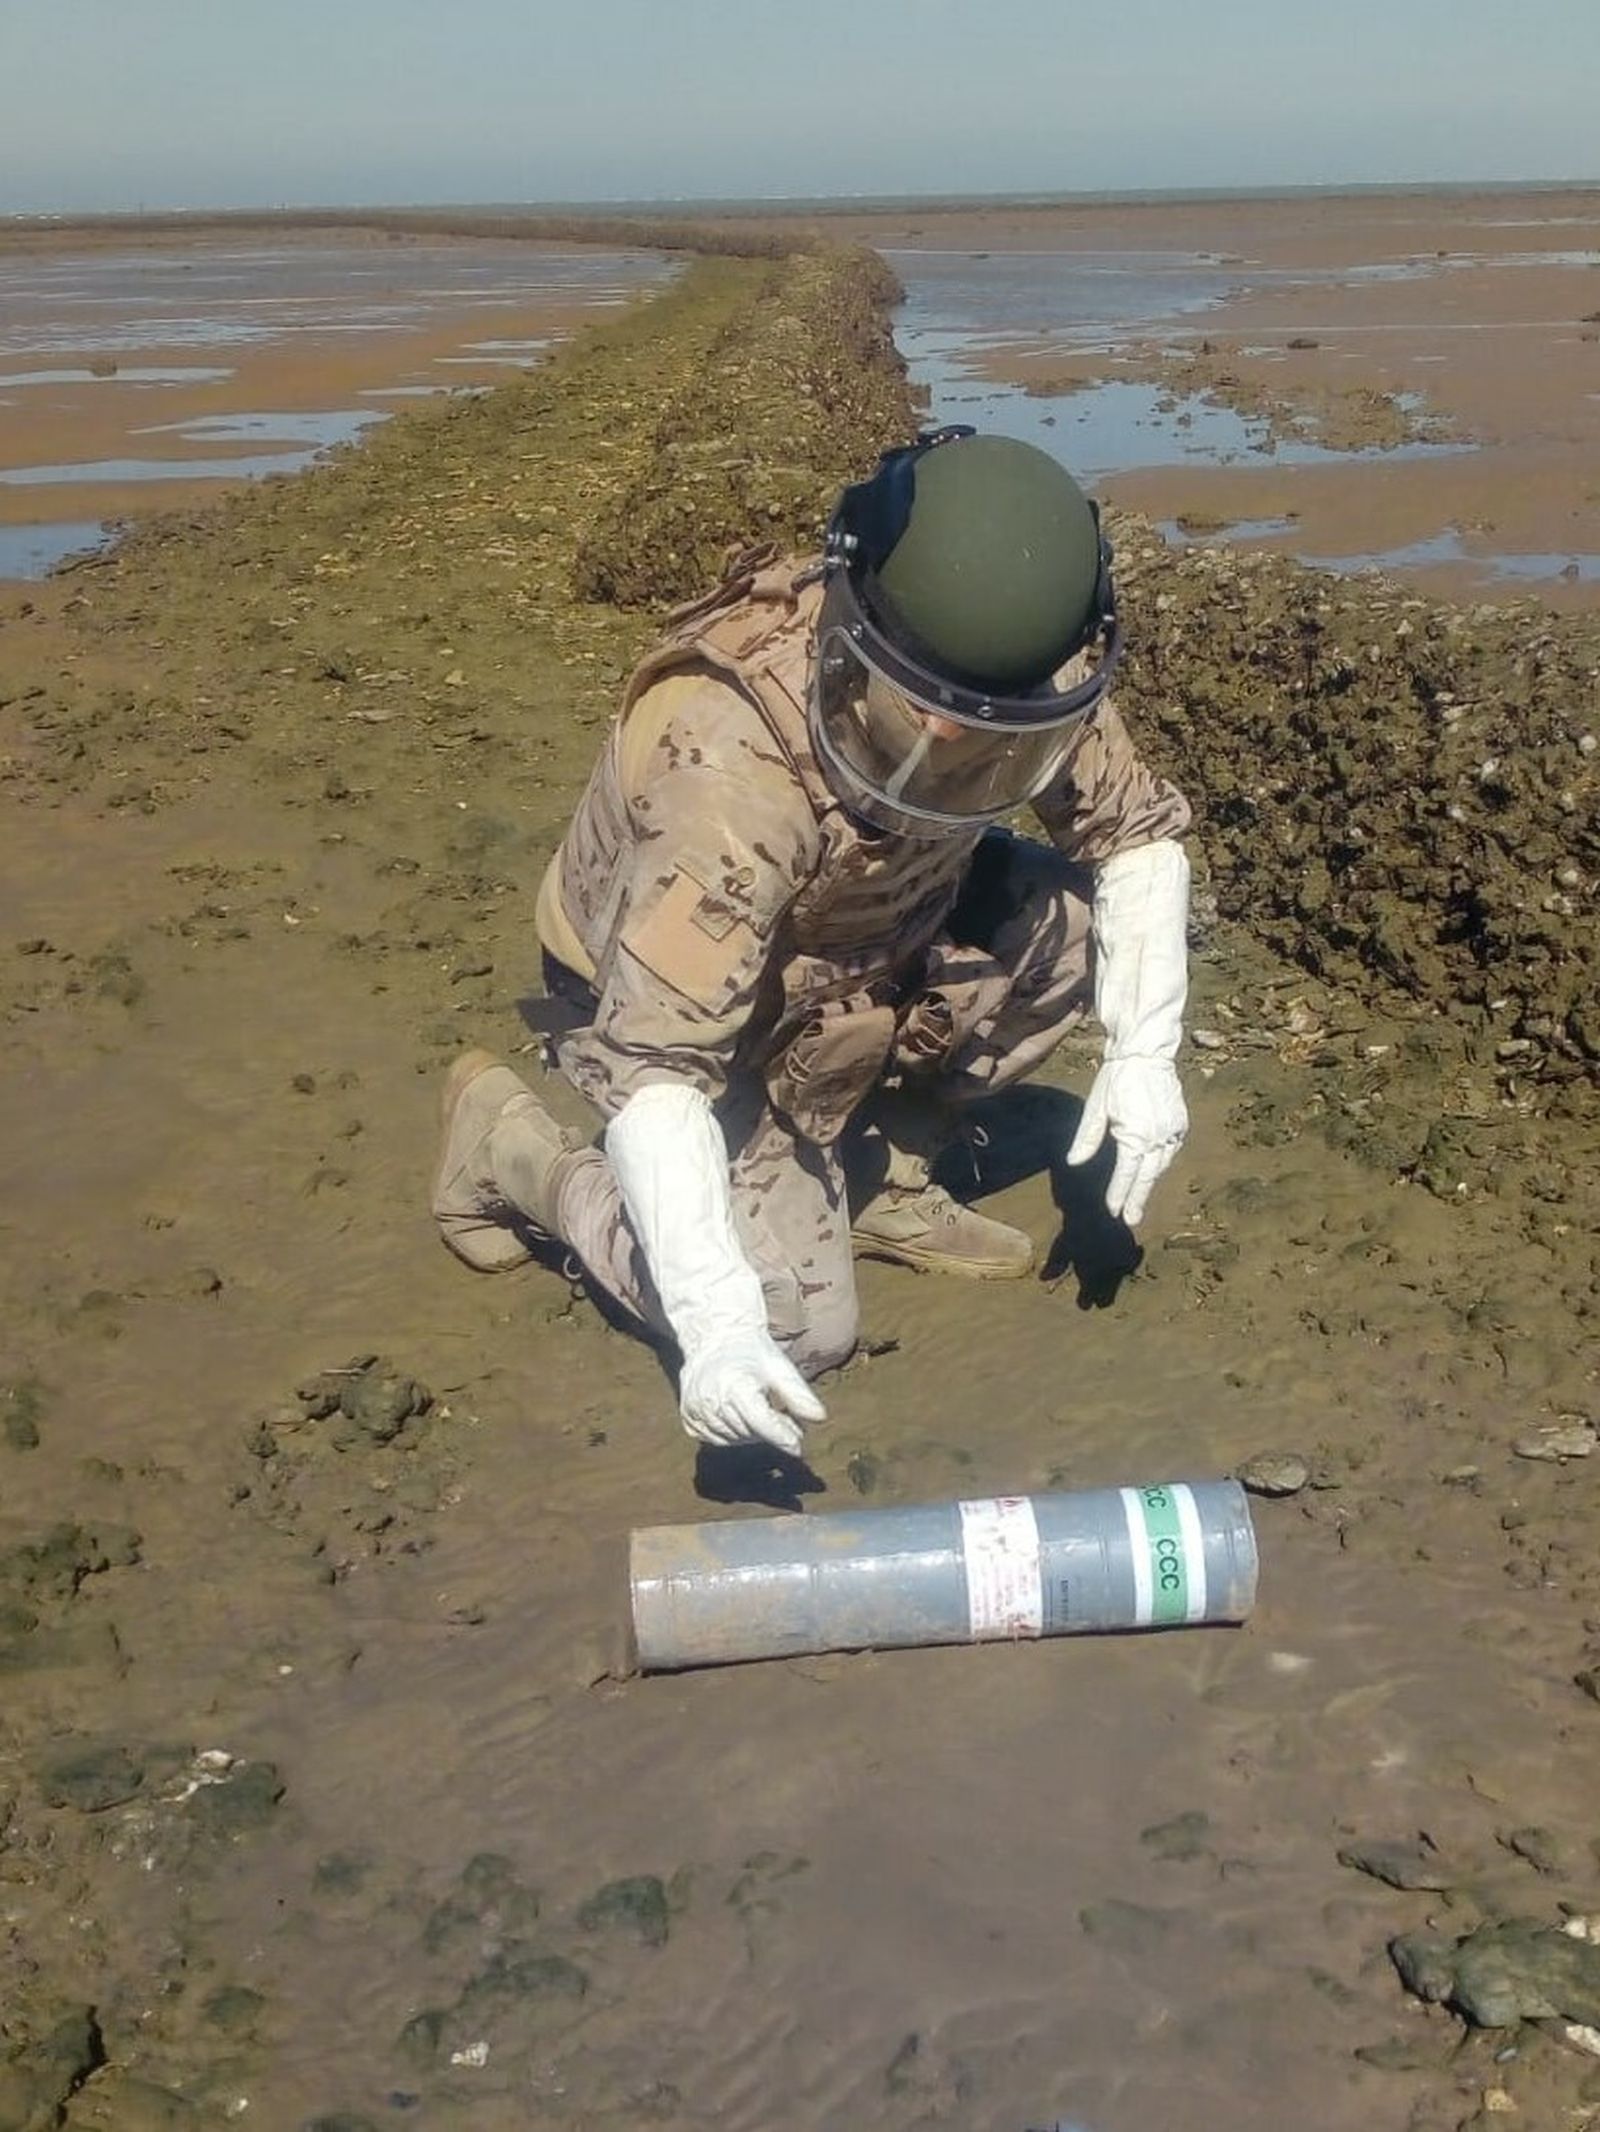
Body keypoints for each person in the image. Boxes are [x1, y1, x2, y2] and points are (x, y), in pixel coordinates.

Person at [432, 427, 1192, 1460]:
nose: (960, 744)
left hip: (873, 934)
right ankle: (519, 1156)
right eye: (927, 713)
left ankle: (879, 1172)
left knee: (1070, 931)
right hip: (679, 1005)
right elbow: (659, 1064)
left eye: (996, 724)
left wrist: (1144, 1050)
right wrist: (714, 1321)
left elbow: (1135, 831)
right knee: (793, 1330)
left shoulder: (1017, 673)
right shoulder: (735, 772)